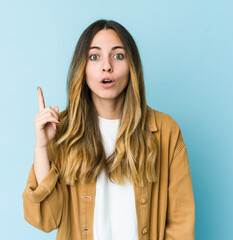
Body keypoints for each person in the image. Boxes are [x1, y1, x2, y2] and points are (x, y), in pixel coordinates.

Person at [22, 19, 195, 240]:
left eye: (118, 55)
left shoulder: (165, 130)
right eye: (94, 57)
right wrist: (42, 147)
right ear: (81, 68)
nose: (107, 66)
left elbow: (181, 224)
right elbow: (44, 220)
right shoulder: (62, 130)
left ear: (132, 66)